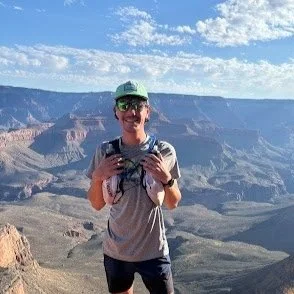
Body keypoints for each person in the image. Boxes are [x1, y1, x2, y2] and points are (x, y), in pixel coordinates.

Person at [87, 80, 181, 294]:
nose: (131, 111)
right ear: (116, 112)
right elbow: (96, 204)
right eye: (124, 105)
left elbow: (173, 203)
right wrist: (97, 176)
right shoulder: (105, 152)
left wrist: (166, 178)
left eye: (138, 105)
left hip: (154, 252)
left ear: (148, 112)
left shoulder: (164, 151)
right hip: (117, 252)